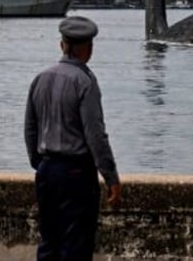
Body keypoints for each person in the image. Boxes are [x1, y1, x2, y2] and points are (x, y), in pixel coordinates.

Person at [24, 16, 122, 260]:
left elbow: (30, 128)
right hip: (76, 174)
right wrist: (110, 176)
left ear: (62, 45)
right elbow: (95, 135)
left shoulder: (41, 78)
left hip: (46, 171)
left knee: (49, 242)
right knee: (75, 246)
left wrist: (40, 163)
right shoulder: (85, 82)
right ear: (87, 49)